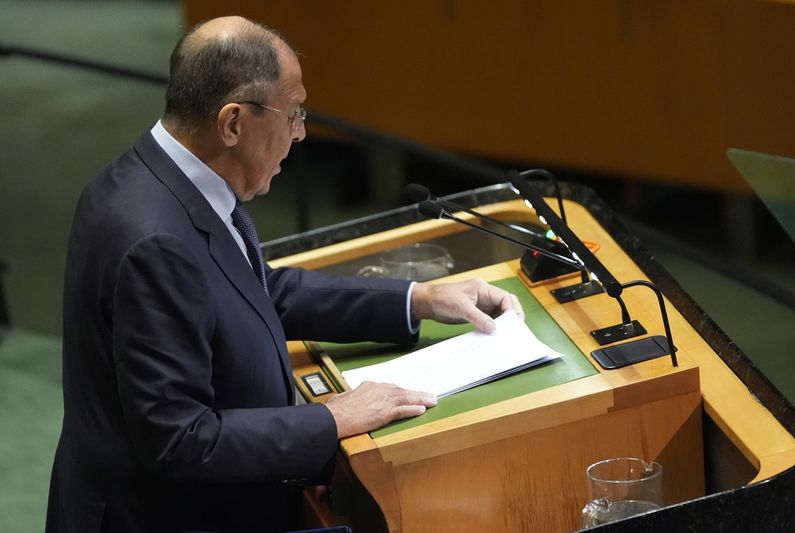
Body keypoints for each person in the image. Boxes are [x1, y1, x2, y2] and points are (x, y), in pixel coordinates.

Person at [46, 16, 522, 533]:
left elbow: (256, 290)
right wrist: (332, 419)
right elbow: (180, 440)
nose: (301, 134)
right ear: (232, 123)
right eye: (293, 114)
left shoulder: (159, 174)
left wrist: (420, 299)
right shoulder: (157, 241)